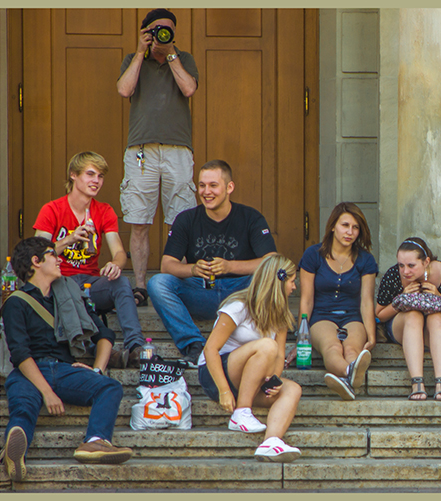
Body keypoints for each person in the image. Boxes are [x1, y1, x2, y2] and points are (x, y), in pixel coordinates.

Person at [1, 237, 132, 482]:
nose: (59, 259)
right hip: (30, 371)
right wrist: (48, 393)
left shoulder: (71, 295)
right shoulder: (15, 302)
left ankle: (94, 442)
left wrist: (96, 370)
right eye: (53, 254)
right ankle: (15, 453)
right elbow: (20, 354)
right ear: (36, 262)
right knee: (23, 408)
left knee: (109, 386)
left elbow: (104, 333)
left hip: (64, 369)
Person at [147, 160, 277, 366]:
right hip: (201, 291)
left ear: (229, 187)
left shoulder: (250, 217)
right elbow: (167, 264)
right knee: (158, 283)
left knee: (274, 278)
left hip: (241, 295)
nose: (206, 191)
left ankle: (260, 341)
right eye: (202, 185)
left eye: (213, 185)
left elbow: (272, 262)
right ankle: (194, 345)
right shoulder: (186, 219)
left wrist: (230, 266)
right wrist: (193, 269)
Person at [117, 8, 199, 306]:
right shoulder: (133, 59)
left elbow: (189, 88)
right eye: (156, 30)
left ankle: (178, 285)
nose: (161, 35)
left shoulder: (184, 58)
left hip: (178, 149)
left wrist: (172, 54)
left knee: (181, 220)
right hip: (141, 149)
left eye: (167, 30)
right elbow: (124, 89)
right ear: (145, 32)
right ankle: (140, 286)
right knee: (139, 220)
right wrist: (141, 52)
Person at [33, 151, 145, 369]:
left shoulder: (104, 211)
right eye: (90, 174)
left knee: (121, 281)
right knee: (67, 291)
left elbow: (120, 253)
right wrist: (69, 239)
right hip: (60, 283)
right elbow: (36, 255)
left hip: (90, 284)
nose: (96, 181)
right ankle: (101, 352)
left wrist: (115, 264)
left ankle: (136, 347)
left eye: (100, 176)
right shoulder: (52, 209)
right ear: (74, 175)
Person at [198, 254, 302, 462]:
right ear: (278, 282)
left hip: (251, 380)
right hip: (217, 375)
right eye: (291, 281)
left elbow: (280, 355)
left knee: (293, 388)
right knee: (266, 345)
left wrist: (274, 381)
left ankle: (271, 441)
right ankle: (241, 412)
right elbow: (210, 349)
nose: (294, 287)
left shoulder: (281, 315)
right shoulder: (239, 306)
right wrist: (224, 391)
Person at [296, 202, 378, 401]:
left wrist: (372, 336)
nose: (350, 232)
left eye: (355, 227)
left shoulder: (365, 260)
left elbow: (367, 301)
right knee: (333, 347)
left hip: (352, 316)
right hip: (321, 317)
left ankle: (346, 377)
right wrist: (301, 335)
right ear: (333, 226)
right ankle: (350, 373)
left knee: (351, 349)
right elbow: (306, 300)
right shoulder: (313, 255)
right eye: (345, 225)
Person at [375, 237, 441, 401]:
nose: (405, 271)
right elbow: (380, 314)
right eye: (401, 265)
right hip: (404, 329)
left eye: (411, 265)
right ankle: (417, 383)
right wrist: (402, 298)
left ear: (426, 262)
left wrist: (440, 297)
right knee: (413, 314)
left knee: (436, 316)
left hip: (439, 330)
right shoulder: (393, 275)